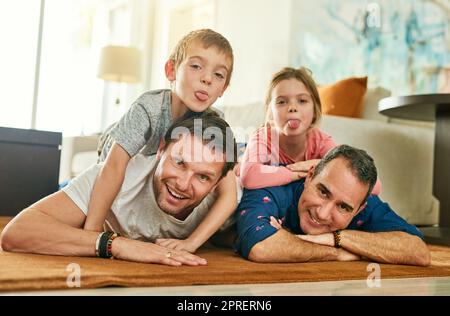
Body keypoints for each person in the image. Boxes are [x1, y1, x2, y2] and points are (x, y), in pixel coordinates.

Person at [0, 113, 238, 266]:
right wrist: (117, 244)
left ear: (217, 184)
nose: (183, 184)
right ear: (161, 150)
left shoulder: (221, 203)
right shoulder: (117, 176)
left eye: (203, 177)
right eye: (179, 162)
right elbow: (16, 233)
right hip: (89, 193)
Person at [85, 29, 238, 254]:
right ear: (171, 70)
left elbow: (229, 193)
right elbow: (113, 167)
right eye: (196, 66)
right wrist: (91, 233)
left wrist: (191, 243)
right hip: (114, 152)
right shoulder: (149, 109)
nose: (207, 79)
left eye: (219, 75)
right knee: (81, 195)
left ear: (223, 88)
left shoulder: (214, 124)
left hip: (155, 174)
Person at [235, 145, 430, 266]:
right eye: (323, 192)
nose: (322, 213)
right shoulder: (271, 184)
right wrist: (337, 254)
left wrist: (336, 238)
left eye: (343, 207)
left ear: (360, 209)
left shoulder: (360, 199)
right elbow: (260, 247)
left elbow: (418, 251)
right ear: (309, 176)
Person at [239, 67, 381, 194]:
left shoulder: (321, 141)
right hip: (245, 150)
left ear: (315, 110)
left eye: (302, 101)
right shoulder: (262, 137)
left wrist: (316, 164)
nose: (292, 108)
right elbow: (248, 177)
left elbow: (375, 186)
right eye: (282, 102)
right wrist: (297, 172)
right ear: (270, 113)